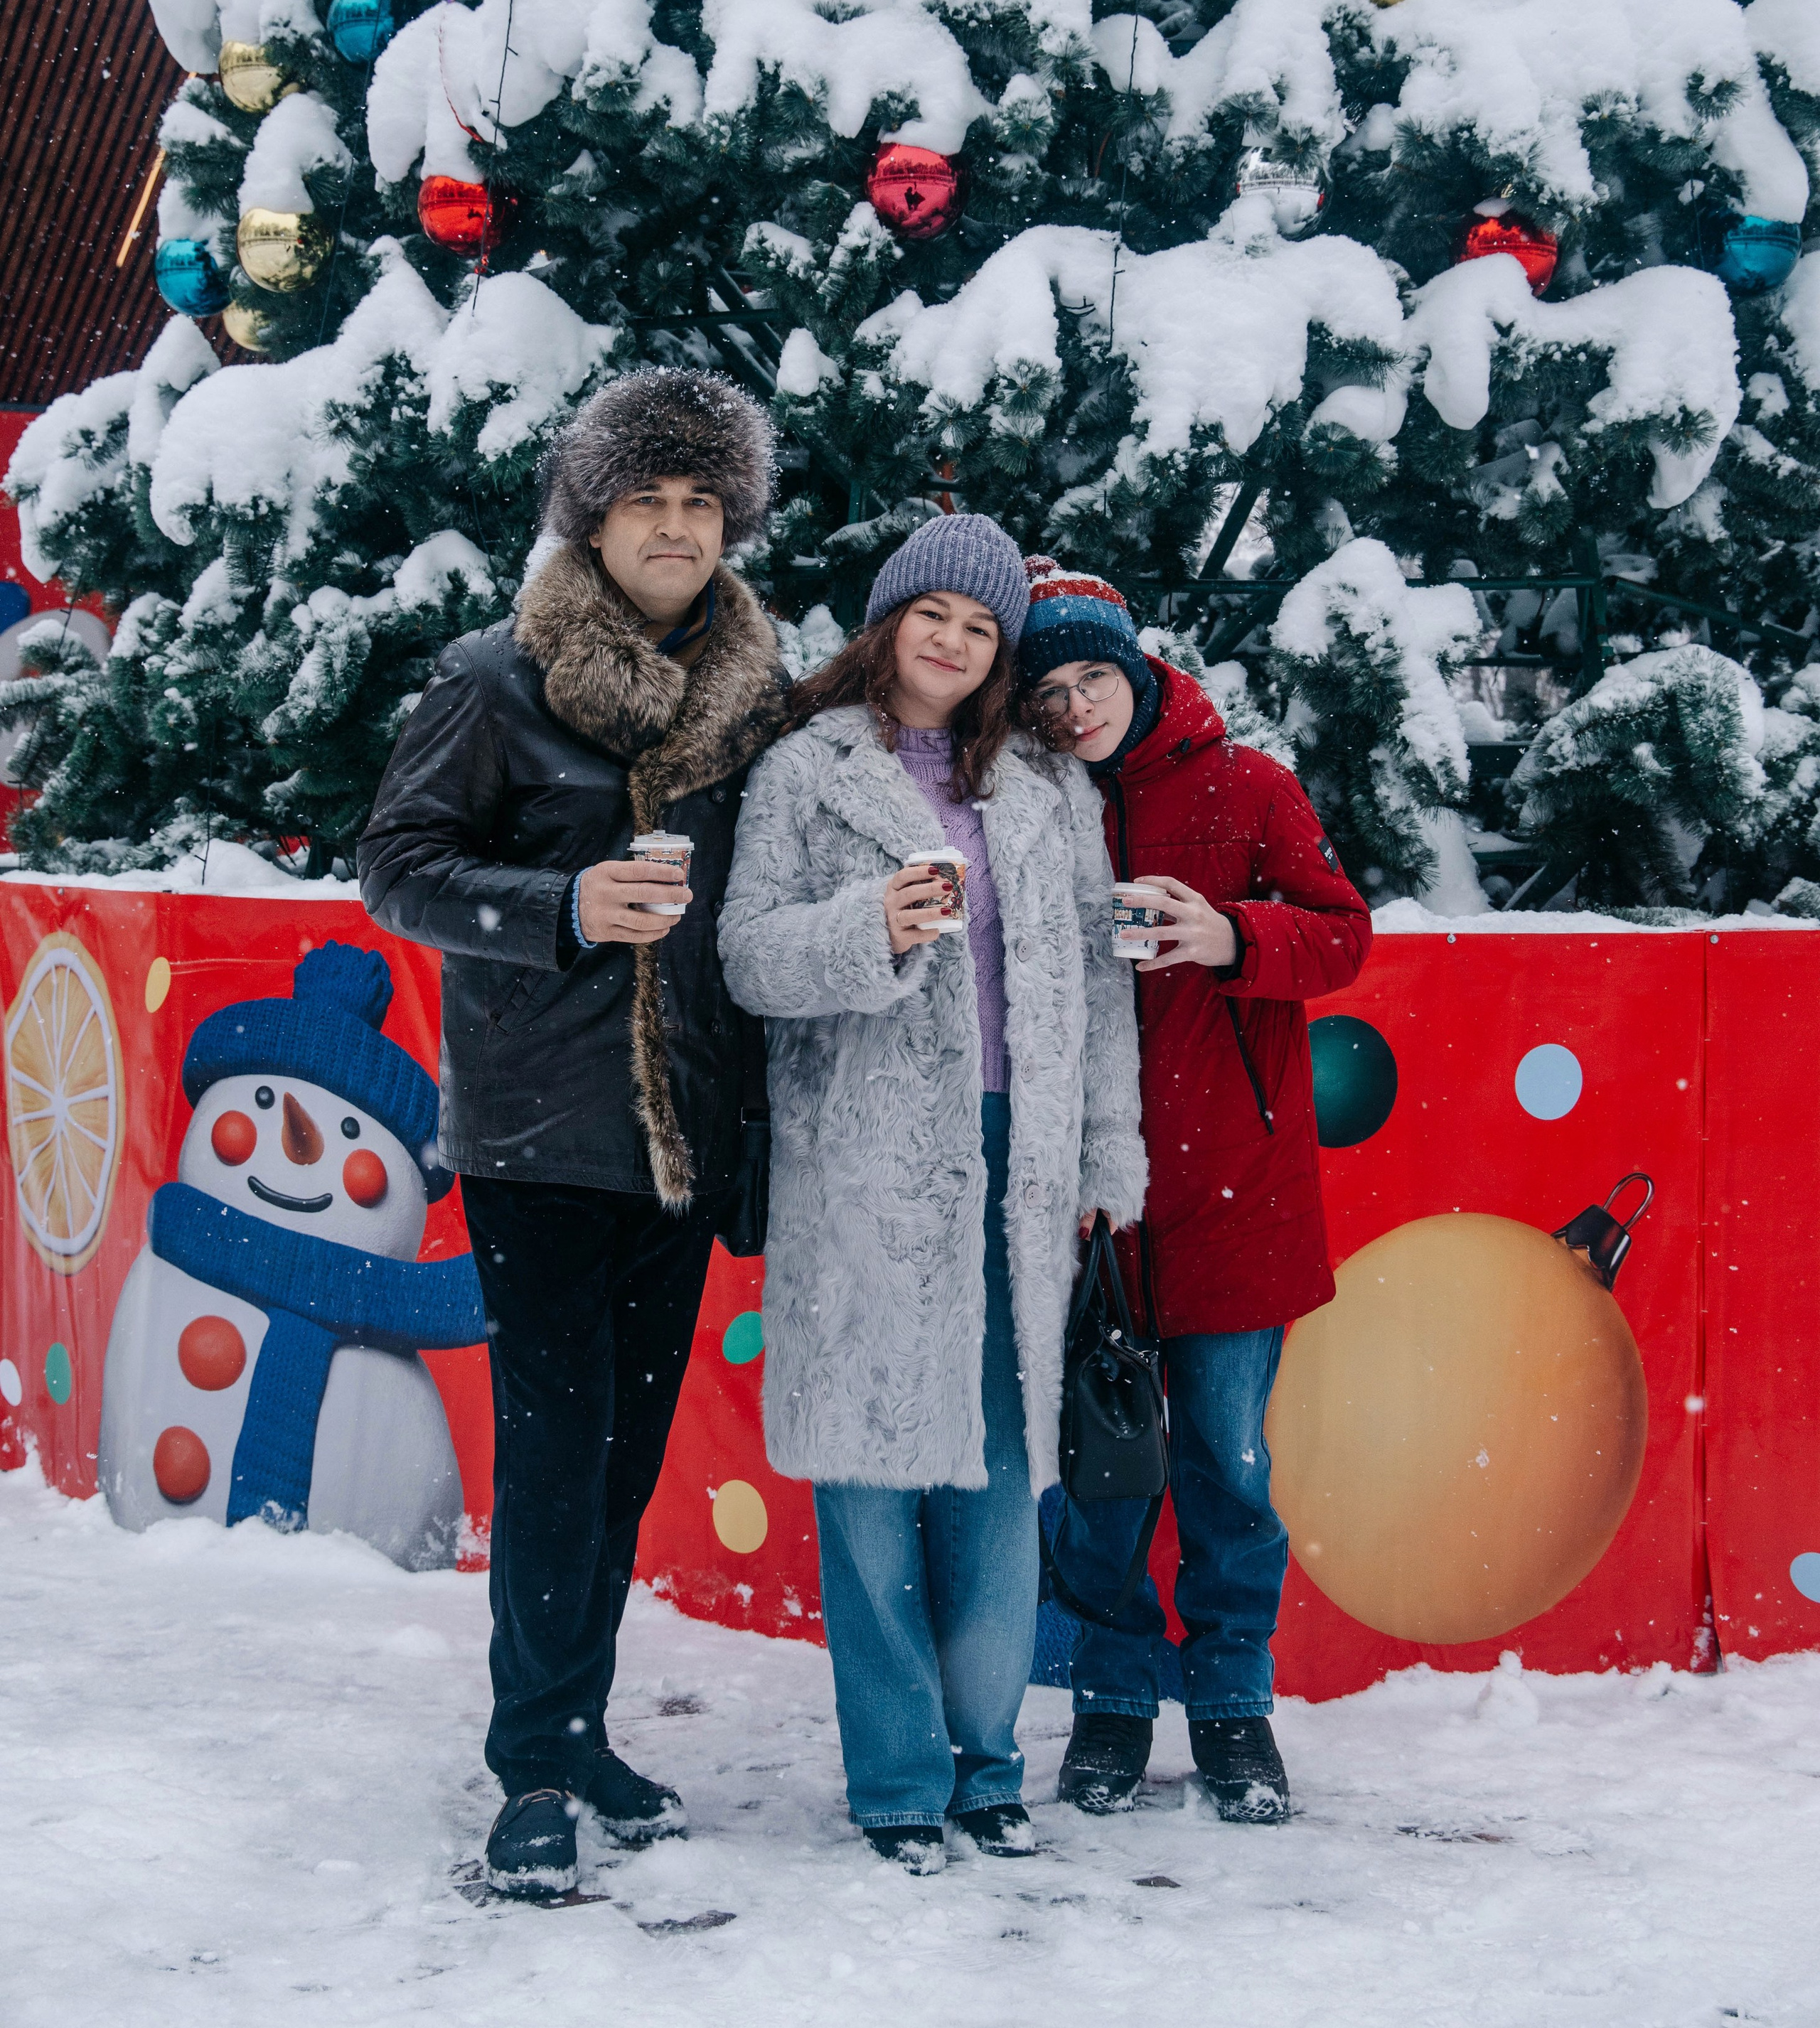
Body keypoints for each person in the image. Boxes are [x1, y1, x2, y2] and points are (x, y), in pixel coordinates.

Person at [358, 367, 786, 1896]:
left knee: (620, 1466)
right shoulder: (496, 678)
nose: (675, 525)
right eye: (645, 498)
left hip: (683, 1148)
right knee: (551, 1459)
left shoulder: (754, 695)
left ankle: (577, 1717)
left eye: (699, 499)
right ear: (591, 518)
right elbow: (396, 864)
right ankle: (531, 1764)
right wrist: (556, 906)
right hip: (539, 1139)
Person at [718, 515, 1147, 1874]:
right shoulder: (804, 771)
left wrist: (1100, 1158)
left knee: (1002, 1476)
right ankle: (898, 1776)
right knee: (868, 1482)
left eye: (981, 625)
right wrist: (869, 931)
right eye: (933, 616)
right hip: (860, 1159)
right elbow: (746, 959)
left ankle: (991, 1763)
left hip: (1021, 1159)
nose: (954, 643)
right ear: (888, 624)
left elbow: (1095, 985)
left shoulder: (1042, 786)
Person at [1018, 557, 1370, 1823]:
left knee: (1226, 1464)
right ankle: (1111, 1700)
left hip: (1237, 1195)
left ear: (1137, 670)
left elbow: (1343, 933)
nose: (1075, 707)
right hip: (1087, 1210)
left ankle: (1233, 1708)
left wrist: (1231, 935)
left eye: (1092, 677)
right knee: (1106, 1473)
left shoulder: (1247, 784)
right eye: (1046, 688)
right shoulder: (1025, 800)